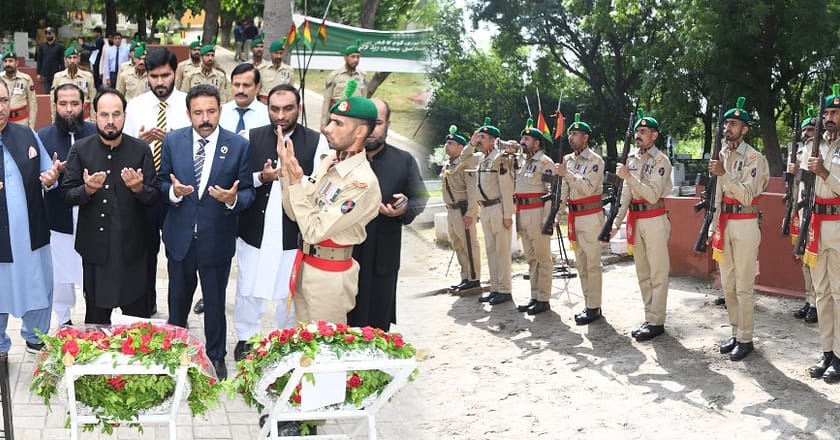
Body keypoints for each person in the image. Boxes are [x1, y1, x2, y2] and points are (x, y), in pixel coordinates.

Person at [159, 84, 255, 380]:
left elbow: (249, 192)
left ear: (220, 111)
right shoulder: (173, 141)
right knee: (177, 303)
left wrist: (233, 199)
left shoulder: (238, 146)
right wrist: (173, 193)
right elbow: (161, 183)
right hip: (180, 239)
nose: (205, 118)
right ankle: (175, 354)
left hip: (216, 240)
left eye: (211, 111)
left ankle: (216, 356)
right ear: (188, 113)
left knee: (214, 304)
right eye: (198, 112)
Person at [233, 83, 329, 360]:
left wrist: (294, 175)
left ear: (299, 108)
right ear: (267, 109)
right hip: (255, 228)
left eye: (288, 109)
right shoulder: (249, 136)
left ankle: (286, 338)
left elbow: (321, 186)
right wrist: (261, 177)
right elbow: (238, 181)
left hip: (292, 230)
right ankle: (247, 337)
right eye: (275, 109)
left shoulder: (315, 141)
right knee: (249, 285)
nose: (281, 115)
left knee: (290, 288)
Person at [278, 79, 380, 325]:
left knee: (324, 350)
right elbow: (296, 215)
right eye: (330, 120)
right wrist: (288, 174)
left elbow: (313, 230)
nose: (327, 128)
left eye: (338, 123)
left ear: (360, 132)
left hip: (330, 275)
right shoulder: (330, 160)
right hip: (306, 266)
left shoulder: (361, 183)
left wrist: (295, 182)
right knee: (303, 344)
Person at [62, 88, 160, 324]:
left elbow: (154, 196)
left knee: (136, 325)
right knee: (97, 325)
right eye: (104, 115)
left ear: (125, 116)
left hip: (133, 251)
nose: (110, 121)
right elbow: (67, 194)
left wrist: (139, 188)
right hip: (96, 251)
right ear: (94, 116)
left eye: (116, 114)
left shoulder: (141, 150)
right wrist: (87, 190)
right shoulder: (81, 149)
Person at [347, 98, 427, 330]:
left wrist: (404, 209)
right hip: (346, 257)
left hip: (383, 257)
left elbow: (419, 197)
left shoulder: (403, 160)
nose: (372, 129)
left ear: (388, 124)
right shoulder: (341, 158)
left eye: (378, 123)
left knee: (377, 328)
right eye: (367, 122)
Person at [124, 47, 191, 317]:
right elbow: (123, 151)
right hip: (145, 192)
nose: (160, 82)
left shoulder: (189, 104)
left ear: (175, 72)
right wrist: (141, 143)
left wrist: (174, 141)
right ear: (147, 76)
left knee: (178, 256)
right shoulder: (136, 106)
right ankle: (146, 306)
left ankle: (178, 314)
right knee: (145, 253)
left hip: (178, 191)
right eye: (154, 76)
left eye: (165, 75)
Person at [707, 97, 769, 361]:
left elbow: (746, 195)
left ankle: (746, 338)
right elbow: (717, 197)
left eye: (734, 124)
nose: (728, 127)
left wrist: (723, 174)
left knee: (744, 286)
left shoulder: (755, 157)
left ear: (745, 129)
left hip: (744, 223)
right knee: (728, 285)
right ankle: (735, 332)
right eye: (726, 123)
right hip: (724, 223)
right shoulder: (721, 154)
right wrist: (711, 226)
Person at [0, 79, 59, 353]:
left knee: (37, 285)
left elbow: (48, 174)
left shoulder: (26, 135)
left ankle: (35, 338)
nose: (0, 107)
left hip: (30, 236)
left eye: (2, 100)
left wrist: (50, 178)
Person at [609, 108, 672, 341]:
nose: (638, 134)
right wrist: (616, 222)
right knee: (642, 272)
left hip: (654, 219)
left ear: (654, 135)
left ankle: (657, 321)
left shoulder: (661, 160)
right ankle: (650, 316)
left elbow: (653, 195)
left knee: (657, 272)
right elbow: (626, 193)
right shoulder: (632, 159)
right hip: (636, 219)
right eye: (637, 130)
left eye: (643, 131)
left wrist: (629, 177)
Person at [38, 83, 97, 326]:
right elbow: (38, 180)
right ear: (55, 106)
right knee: (61, 279)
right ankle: (64, 322)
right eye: (63, 104)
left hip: (92, 219)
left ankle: (95, 321)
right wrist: (49, 180)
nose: (69, 109)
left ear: (83, 105)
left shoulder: (96, 133)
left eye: (74, 104)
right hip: (59, 222)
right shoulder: (42, 136)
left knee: (92, 275)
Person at [802, 84, 840, 383]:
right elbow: (805, 186)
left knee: (839, 294)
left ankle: (839, 355)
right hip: (816, 224)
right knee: (822, 293)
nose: (829, 117)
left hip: (838, 224)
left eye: (835, 112)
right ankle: (826, 350)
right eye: (826, 112)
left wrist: (825, 172)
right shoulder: (817, 145)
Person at [556, 114, 605, 324]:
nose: (571, 137)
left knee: (593, 264)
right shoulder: (568, 160)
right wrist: (557, 214)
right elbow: (564, 190)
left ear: (585, 138)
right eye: (570, 134)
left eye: (575, 134)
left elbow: (586, 188)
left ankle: (594, 307)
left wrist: (566, 174)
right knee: (581, 264)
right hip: (575, 216)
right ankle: (588, 304)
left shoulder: (595, 161)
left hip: (591, 216)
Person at [511, 118, 554, 316]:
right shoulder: (520, 162)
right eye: (523, 138)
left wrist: (547, 220)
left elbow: (551, 194)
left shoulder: (545, 163)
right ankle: (534, 296)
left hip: (537, 214)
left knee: (543, 259)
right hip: (522, 214)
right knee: (531, 259)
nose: (523, 142)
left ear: (537, 143)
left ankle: (544, 299)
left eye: (527, 139)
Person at [472, 118, 515, 306]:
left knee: (502, 251)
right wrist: (472, 142)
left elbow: (506, 188)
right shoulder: (483, 158)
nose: (479, 140)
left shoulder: (500, 158)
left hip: (498, 208)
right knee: (491, 250)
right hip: (485, 210)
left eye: (483, 137)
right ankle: (495, 288)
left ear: (493, 140)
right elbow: (466, 156)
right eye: (479, 136)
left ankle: (505, 290)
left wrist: (507, 215)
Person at [440, 125, 481, 293]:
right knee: (458, 245)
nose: (447, 145)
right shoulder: (448, 165)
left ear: (460, 147)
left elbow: (472, 190)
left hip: (462, 210)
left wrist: (471, 213)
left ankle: (474, 278)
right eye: (447, 143)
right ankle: (465, 276)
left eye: (451, 143)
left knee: (469, 244)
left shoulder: (466, 163)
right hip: (451, 211)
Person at [789, 108, 818, 324]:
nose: (807, 133)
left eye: (811, 129)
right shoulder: (799, 154)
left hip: (817, 213)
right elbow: (794, 187)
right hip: (800, 210)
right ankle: (809, 299)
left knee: (815, 261)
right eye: (805, 130)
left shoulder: (818, 154)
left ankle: (817, 303)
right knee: (804, 261)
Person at [320, 43, 368, 131]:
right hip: (338, 114)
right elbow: (327, 100)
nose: (356, 60)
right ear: (345, 58)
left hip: (355, 115)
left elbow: (364, 98)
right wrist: (323, 123)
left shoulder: (362, 76)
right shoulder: (334, 75)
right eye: (352, 57)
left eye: (358, 57)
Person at [220, 63, 269, 139]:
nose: (240, 90)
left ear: (257, 87)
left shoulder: (267, 115)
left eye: (246, 85)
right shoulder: (221, 112)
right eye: (236, 85)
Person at [51, 44, 96, 121]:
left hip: (84, 119)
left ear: (79, 59)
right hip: (65, 118)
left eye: (75, 57)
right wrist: (54, 121)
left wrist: (93, 121)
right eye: (69, 58)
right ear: (65, 60)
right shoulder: (58, 77)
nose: (72, 61)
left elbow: (93, 100)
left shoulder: (88, 76)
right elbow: (53, 102)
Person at [1, 45, 38, 129]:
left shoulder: (26, 79)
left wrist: (31, 127)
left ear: (16, 62)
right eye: (5, 61)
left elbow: (33, 105)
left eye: (11, 61)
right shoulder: (0, 79)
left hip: (21, 122)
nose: (8, 64)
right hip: (2, 122)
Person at [258, 39, 295, 104]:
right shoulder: (262, 69)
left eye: (281, 53)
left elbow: (291, 91)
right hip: (265, 105)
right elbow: (257, 90)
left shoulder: (289, 70)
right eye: (276, 53)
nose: (278, 56)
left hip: (282, 104)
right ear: (271, 53)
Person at [37, 26, 65, 93]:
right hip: (44, 74)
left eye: (49, 33)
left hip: (56, 74)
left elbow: (61, 61)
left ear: (54, 34)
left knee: (55, 93)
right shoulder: (42, 46)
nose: (47, 35)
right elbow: (39, 60)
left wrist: (63, 72)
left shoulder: (59, 47)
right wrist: (38, 73)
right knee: (46, 93)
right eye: (46, 33)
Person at [78, 26, 105, 90]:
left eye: (94, 33)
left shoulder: (100, 41)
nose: (93, 35)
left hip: (98, 63)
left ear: (98, 33)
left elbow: (93, 48)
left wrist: (83, 45)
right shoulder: (97, 41)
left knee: (97, 80)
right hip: (95, 63)